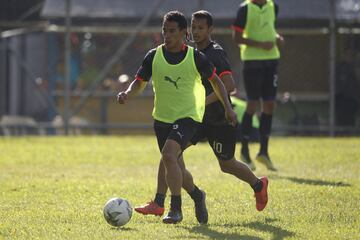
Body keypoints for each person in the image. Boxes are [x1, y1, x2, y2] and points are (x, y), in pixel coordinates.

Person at [134, 10, 269, 224]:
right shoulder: (187, 53)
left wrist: (203, 103)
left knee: (227, 165)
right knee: (170, 155)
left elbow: (229, 86)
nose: (196, 32)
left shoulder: (214, 53)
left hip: (218, 120)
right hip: (193, 119)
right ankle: (161, 201)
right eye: (194, 27)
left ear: (210, 30)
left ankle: (258, 185)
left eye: (201, 28)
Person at [117, 11, 237, 224]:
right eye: (165, 30)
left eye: (172, 31)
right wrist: (127, 94)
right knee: (177, 167)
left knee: (169, 154)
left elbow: (218, 83)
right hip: (162, 119)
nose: (167, 35)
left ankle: (175, 209)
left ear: (183, 33)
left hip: (188, 117)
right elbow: (139, 81)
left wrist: (228, 108)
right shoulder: (153, 56)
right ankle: (197, 195)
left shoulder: (196, 57)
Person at [232, 0, 284, 171]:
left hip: (271, 61)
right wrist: (260, 45)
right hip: (252, 62)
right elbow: (237, 38)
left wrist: (277, 38)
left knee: (270, 105)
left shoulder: (273, 7)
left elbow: (270, 30)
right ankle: (245, 151)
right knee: (252, 104)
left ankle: (263, 152)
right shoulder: (245, 9)